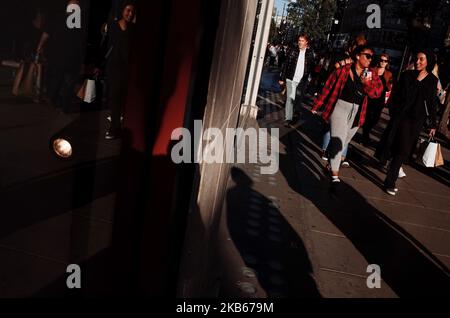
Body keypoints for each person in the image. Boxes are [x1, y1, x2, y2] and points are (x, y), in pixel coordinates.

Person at [311, 45, 383, 183]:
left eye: (372, 57)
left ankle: (330, 165)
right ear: (358, 56)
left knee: (343, 143)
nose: (370, 59)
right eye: (367, 56)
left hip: (357, 113)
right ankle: (334, 175)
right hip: (339, 108)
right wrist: (317, 105)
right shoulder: (343, 70)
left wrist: (366, 83)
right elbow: (328, 87)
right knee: (338, 142)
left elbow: (376, 94)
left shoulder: (371, 74)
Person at [375, 49, 438, 195]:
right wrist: (416, 80)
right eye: (416, 59)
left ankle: (391, 176)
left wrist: (432, 125)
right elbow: (399, 96)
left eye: (421, 59)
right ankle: (390, 178)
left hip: (416, 122)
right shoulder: (406, 76)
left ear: (428, 61)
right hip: (401, 118)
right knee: (397, 148)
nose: (417, 62)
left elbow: (432, 103)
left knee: (402, 151)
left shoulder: (432, 80)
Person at [104, 2, 136, 139]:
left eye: (132, 12)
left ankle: (115, 127)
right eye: (128, 10)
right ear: (122, 10)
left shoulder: (133, 29)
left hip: (126, 68)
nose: (130, 14)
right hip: (113, 67)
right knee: (114, 97)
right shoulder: (113, 25)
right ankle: (115, 125)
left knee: (118, 97)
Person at [279, 34, 315, 126]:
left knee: (298, 99)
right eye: (299, 40)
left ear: (306, 42)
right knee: (290, 99)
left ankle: (296, 112)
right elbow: (285, 65)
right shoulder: (293, 51)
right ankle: (288, 118)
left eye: (302, 41)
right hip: (291, 78)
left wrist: (311, 79)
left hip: (302, 81)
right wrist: (282, 78)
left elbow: (312, 67)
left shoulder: (310, 53)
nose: (300, 42)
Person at [362, 53, 393, 146]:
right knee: (367, 117)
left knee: (375, 119)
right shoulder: (372, 70)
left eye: (385, 61)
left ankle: (366, 132)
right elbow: (366, 82)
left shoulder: (389, 73)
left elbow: (389, 88)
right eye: (381, 60)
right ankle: (365, 137)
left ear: (387, 62)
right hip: (370, 97)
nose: (383, 62)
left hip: (380, 99)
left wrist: (390, 86)